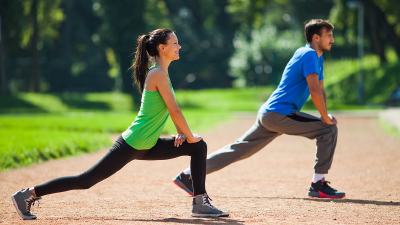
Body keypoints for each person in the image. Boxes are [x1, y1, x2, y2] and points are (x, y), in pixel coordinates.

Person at [11, 29, 229, 220]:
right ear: (162, 48)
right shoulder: (158, 73)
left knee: (198, 147)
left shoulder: (163, 73)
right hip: (133, 143)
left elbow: (169, 110)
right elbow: (174, 110)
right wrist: (188, 135)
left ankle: (199, 203)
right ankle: (28, 194)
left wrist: (184, 134)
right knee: (86, 180)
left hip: (148, 144)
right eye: (175, 43)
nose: (179, 46)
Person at [173, 19, 345, 199]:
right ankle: (318, 184)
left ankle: (187, 175)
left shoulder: (316, 57)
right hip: (280, 113)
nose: (332, 40)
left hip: (270, 113)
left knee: (238, 149)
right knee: (328, 130)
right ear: (316, 38)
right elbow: (314, 91)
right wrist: (325, 119)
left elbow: (321, 90)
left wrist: (325, 114)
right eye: (329, 36)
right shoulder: (308, 54)